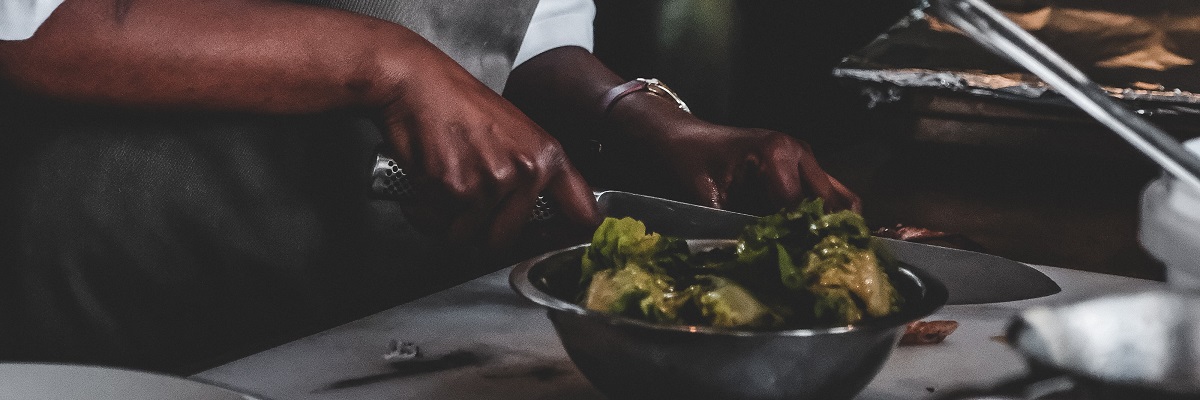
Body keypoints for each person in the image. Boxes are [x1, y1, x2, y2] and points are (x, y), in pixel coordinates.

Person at [0, 0, 859, 372]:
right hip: (123, 299)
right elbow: (28, 28)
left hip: (379, 315)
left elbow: (510, 26)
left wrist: (632, 113)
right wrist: (384, 64)